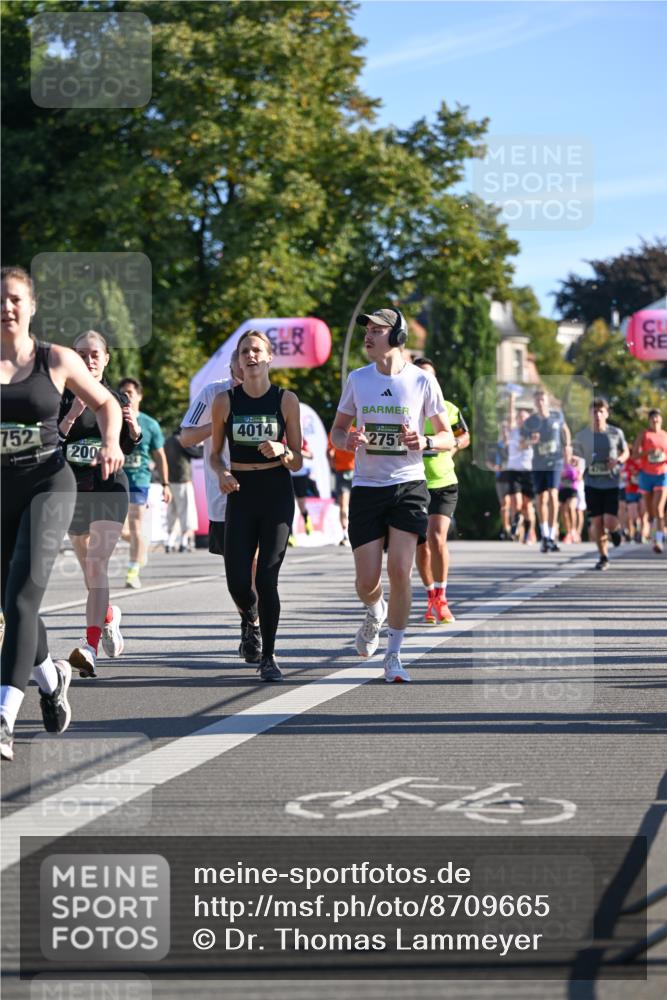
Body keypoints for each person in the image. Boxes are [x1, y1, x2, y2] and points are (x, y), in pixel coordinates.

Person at [1, 266, 123, 761]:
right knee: (13, 604)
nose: (6, 307)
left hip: (48, 484)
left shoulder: (55, 358)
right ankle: (52, 681)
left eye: (14, 299)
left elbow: (106, 403)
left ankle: (5, 716)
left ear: (30, 307)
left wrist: (111, 441)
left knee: (24, 595)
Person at [331, 308, 454, 684]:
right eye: (366, 330)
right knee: (366, 581)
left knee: (400, 569)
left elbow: (448, 437)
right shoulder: (358, 379)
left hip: (408, 485)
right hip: (367, 487)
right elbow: (337, 431)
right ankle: (374, 610)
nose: (368, 335)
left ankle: (395, 655)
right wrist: (347, 440)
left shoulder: (422, 382)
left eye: (376, 330)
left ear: (397, 336)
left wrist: (428, 441)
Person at [210, 330, 303, 681]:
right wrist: (222, 474)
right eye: (245, 351)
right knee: (237, 581)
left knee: (266, 576)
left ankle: (269, 656)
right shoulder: (225, 401)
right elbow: (215, 455)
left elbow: (297, 461)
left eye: (257, 351)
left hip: (276, 490)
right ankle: (251, 621)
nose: (251, 356)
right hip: (241, 492)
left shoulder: (286, 400)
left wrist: (284, 451)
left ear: (269, 358)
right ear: (238, 360)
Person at [59, 331, 141, 678]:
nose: (89, 360)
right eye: (81, 354)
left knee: (95, 564)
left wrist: (133, 431)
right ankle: (108, 617)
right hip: (72, 491)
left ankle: (89, 646)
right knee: (89, 570)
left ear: (106, 359)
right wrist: (72, 416)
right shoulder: (58, 396)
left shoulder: (115, 397)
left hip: (110, 488)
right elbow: (50, 444)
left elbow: (127, 446)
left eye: (95, 354)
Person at [180, 349, 262, 665]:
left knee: (256, 563)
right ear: (230, 367)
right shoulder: (214, 391)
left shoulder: (270, 394)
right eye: (236, 365)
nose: (242, 370)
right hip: (222, 493)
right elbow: (186, 437)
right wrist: (217, 424)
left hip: (260, 490)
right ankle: (249, 620)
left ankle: (256, 628)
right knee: (238, 571)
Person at [412, 357, 469, 624]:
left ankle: (442, 598)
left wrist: (453, 443)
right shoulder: (405, 409)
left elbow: (464, 435)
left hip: (444, 481)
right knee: (421, 544)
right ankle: (429, 595)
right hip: (413, 482)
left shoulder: (448, 408)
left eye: (430, 377)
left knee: (436, 538)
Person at [117, 377, 172, 588]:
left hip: (140, 481)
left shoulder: (149, 424)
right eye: (123, 393)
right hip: (117, 480)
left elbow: (160, 456)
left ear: (139, 396)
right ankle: (140, 545)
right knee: (119, 530)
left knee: (136, 524)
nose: (127, 396)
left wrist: (166, 484)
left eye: (131, 392)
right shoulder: (113, 419)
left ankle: (132, 571)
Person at [573, 397, 629, 570]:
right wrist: (575, 459)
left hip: (611, 483)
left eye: (600, 411)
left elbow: (626, 451)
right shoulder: (583, 435)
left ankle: (615, 531)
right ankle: (603, 556)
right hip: (591, 483)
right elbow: (575, 454)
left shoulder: (615, 433)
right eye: (594, 411)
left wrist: (618, 460)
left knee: (609, 521)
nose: (597, 415)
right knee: (597, 522)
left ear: (606, 413)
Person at [522, 387, 572, 552]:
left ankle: (552, 534)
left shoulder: (557, 415)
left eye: (543, 399)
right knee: (541, 498)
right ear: (535, 403)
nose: (540, 403)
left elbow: (565, 430)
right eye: (537, 400)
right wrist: (531, 441)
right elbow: (522, 444)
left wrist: (568, 446)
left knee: (553, 495)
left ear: (547, 401)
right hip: (538, 463)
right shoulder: (530, 422)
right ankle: (545, 535)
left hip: (555, 461)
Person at [633, 409, 667, 554]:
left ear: (661, 420)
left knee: (658, 508)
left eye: (657, 418)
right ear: (649, 421)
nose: (655, 421)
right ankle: (656, 533)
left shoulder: (665, 436)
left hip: (662, 474)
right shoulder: (644, 434)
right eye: (652, 418)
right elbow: (634, 455)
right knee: (650, 511)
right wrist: (648, 453)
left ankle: (658, 540)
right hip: (646, 475)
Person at [504, 392, 536, 544]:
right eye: (519, 417)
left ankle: (528, 533)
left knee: (527, 505)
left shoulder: (532, 433)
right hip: (513, 470)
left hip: (528, 471)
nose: (521, 419)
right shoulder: (513, 431)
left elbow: (527, 444)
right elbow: (510, 415)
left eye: (524, 417)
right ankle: (516, 522)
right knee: (516, 503)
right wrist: (512, 399)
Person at [163, 429, 199, 552]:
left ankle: (169, 541)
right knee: (186, 512)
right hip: (182, 480)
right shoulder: (181, 440)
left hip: (169, 481)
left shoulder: (167, 441)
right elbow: (196, 454)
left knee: (172, 512)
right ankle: (184, 542)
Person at [289, 436, 318, 543]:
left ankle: (306, 517)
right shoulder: (281, 438)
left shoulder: (301, 439)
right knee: (289, 505)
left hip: (300, 475)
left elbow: (310, 455)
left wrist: (297, 452)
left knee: (301, 505)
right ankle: (290, 535)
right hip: (287, 475)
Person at [328, 432, 355, 545]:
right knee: (344, 505)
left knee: (349, 505)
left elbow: (330, 453)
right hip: (345, 472)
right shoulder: (335, 433)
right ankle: (345, 534)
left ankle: (350, 534)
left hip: (353, 472)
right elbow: (330, 452)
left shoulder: (354, 430)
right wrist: (333, 463)